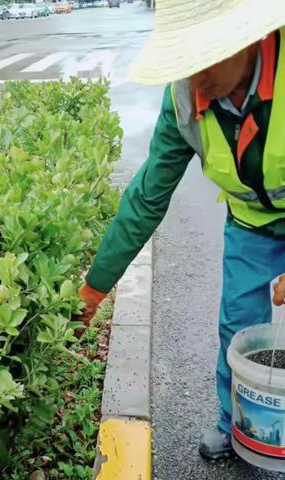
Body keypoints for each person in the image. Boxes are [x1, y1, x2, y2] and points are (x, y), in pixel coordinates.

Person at [78, 0, 285, 461]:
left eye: (207, 55)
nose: (196, 76)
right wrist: (94, 290)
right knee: (237, 329)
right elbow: (147, 197)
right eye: (184, 61)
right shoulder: (184, 101)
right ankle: (235, 425)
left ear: (250, 38)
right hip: (252, 227)